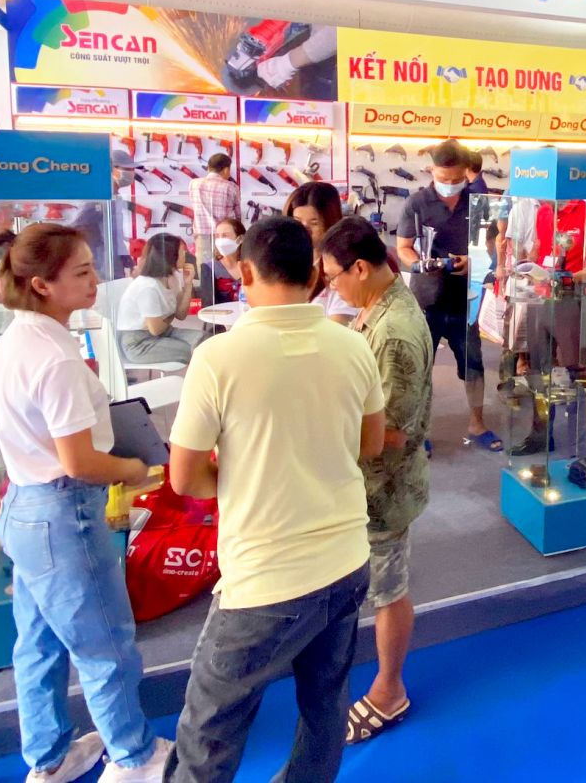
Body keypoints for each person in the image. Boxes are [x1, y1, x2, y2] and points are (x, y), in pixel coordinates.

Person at [165, 216, 385, 783]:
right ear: (314, 275)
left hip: (266, 578)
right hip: (346, 560)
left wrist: (243, 478)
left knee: (208, 734)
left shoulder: (218, 358)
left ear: (244, 273)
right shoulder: (352, 345)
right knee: (325, 706)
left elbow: (184, 477)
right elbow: (370, 444)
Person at [0, 224, 171, 783]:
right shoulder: (55, 357)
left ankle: (49, 757)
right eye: (82, 272)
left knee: (39, 643)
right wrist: (134, 468)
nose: (95, 281)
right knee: (105, 644)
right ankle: (133, 757)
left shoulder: (18, 339)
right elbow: (80, 461)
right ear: (41, 284)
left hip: (25, 507)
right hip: (65, 514)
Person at [319, 218, 433, 745]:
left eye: (334, 277)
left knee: (389, 589)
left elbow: (391, 432)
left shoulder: (395, 332)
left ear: (360, 268)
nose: (332, 287)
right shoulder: (377, 307)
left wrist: (324, 430)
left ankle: (390, 690)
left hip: (383, 489)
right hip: (366, 483)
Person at [397, 139, 495, 451]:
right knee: (420, 367)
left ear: (466, 172)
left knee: (473, 361)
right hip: (427, 299)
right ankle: (420, 431)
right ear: (432, 170)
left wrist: (472, 261)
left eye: (456, 179)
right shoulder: (416, 203)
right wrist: (420, 264)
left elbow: (490, 246)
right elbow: (403, 247)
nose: (449, 185)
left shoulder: (478, 202)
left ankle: (477, 424)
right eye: (443, 178)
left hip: (466, 299)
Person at [116, 233, 199, 364]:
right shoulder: (148, 286)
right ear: (170, 256)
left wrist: (188, 284)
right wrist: (171, 315)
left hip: (164, 332)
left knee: (205, 341)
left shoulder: (173, 277)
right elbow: (156, 329)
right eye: (182, 251)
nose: (185, 253)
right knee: (197, 351)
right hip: (139, 343)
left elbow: (181, 314)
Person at [285, 181, 357, 325]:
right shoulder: (287, 262)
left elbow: (338, 327)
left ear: (331, 222)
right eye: (297, 221)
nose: (305, 230)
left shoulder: (341, 268)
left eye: (314, 223)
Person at [75, 150, 138, 280]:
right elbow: (78, 226)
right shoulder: (97, 197)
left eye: (132, 169)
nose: (132, 172)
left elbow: (116, 236)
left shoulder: (114, 197)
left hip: (114, 263)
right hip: (101, 265)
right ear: (112, 169)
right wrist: (98, 243)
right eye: (127, 169)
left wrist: (126, 259)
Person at [190, 153, 240, 304]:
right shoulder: (231, 187)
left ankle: (209, 310)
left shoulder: (194, 184)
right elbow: (237, 218)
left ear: (208, 168)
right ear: (226, 170)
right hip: (226, 237)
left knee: (207, 278)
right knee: (229, 277)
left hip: (203, 237)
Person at [208, 216, 245, 304]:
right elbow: (208, 304)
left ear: (240, 239)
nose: (220, 240)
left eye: (225, 235)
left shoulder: (252, 264)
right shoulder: (209, 268)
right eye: (217, 236)